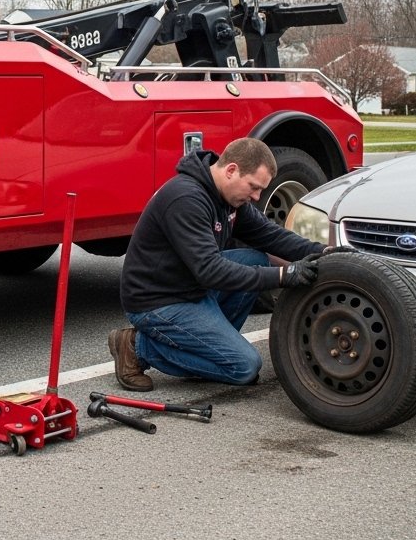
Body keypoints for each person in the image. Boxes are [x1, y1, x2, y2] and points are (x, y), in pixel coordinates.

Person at [109, 137, 336, 391]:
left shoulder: (228, 198)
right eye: (253, 187)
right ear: (231, 170)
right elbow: (210, 271)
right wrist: (284, 275)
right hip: (158, 301)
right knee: (244, 367)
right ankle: (137, 347)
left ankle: (209, 350)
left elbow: (270, 235)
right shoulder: (186, 199)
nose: (256, 196)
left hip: (189, 286)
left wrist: (324, 252)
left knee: (255, 258)